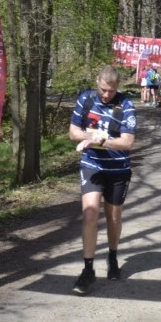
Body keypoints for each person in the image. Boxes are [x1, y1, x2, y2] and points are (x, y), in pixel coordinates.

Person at [68, 65, 137, 296]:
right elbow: (73, 132)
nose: (106, 94)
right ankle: (88, 269)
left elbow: (127, 142)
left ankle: (112, 256)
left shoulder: (126, 105)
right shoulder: (86, 99)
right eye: (103, 89)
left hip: (118, 168)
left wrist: (100, 140)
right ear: (97, 81)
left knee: (113, 217)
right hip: (92, 166)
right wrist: (90, 137)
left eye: (111, 90)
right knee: (90, 213)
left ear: (118, 87)